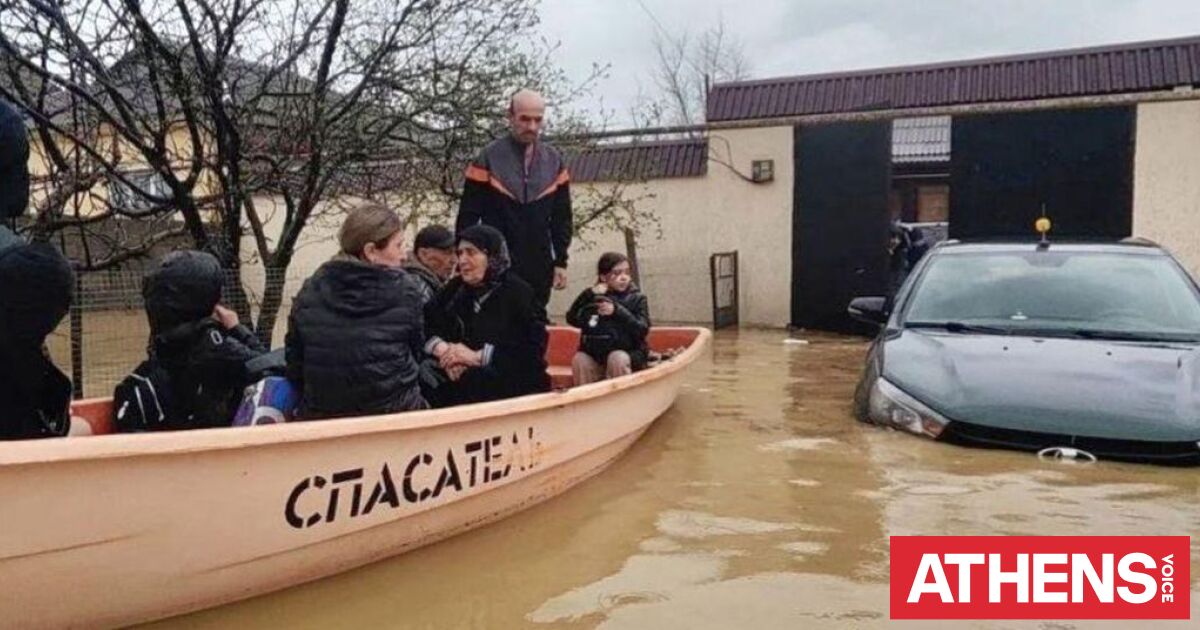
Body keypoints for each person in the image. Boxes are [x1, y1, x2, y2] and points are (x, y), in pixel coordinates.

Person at [286, 203, 428, 419]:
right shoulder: (406, 290)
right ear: (371, 251)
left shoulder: (311, 289)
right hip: (397, 417)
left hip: (325, 421)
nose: (404, 256)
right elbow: (416, 352)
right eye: (398, 246)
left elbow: (296, 362)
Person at [456, 89, 572, 320]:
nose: (531, 126)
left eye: (537, 120)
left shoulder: (554, 160)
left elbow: (562, 217)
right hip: (499, 259)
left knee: (535, 323)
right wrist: (463, 257)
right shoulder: (487, 157)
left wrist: (561, 260)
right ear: (510, 117)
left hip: (539, 262)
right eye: (524, 119)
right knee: (499, 321)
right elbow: (468, 214)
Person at [134, 250, 268, 430]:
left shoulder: (161, 341)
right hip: (218, 446)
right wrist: (237, 329)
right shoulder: (216, 346)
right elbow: (267, 369)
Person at [422, 225, 549, 407]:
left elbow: (532, 351)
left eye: (471, 253)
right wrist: (446, 352)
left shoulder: (519, 293)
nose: (462, 261)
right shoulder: (454, 290)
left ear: (492, 257)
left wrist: (476, 357)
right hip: (459, 379)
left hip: (512, 389)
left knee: (478, 378)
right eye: (460, 253)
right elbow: (425, 323)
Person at [566, 252, 651, 385]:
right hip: (597, 354)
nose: (624, 278)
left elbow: (642, 329)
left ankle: (622, 400)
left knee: (617, 358)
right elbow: (572, 319)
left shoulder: (638, 299)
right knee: (580, 359)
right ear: (603, 277)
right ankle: (587, 400)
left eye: (627, 273)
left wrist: (617, 311)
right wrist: (587, 294)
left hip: (628, 354)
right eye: (617, 273)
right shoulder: (592, 298)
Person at [403, 224, 457, 304]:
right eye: (447, 253)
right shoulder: (416, 289)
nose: (454, 260)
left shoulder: (426, 283)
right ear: (423, 254)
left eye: (456, 253)